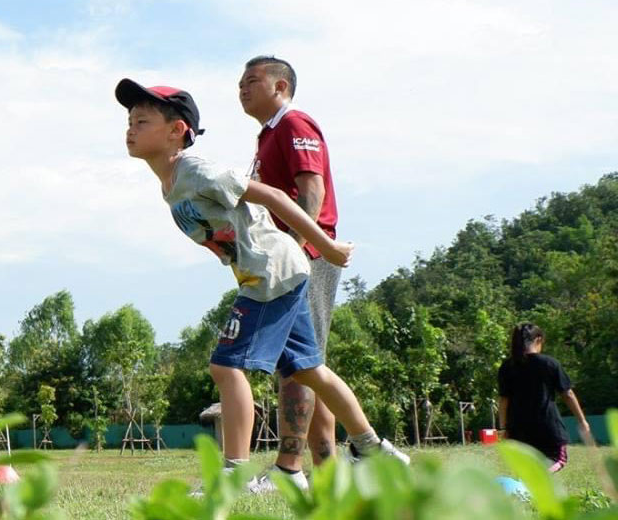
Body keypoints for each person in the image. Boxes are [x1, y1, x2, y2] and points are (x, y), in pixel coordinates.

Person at [116, 78, 407, 485]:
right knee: (309, 369)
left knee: (224, 366)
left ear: (176, 131)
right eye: (129, 120)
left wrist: (329, 246)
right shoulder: (170, 184)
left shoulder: (197, 171)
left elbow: (276, 197)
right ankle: (374, 449)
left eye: (141, 120)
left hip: (273, 273)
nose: (130, 128)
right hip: (267, 274)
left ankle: (233, 473)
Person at [238, 55, 342, 488]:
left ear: (280, 87)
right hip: (281, 261)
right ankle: (328, 474)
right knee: (300, 364)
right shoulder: (269, 135)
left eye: (252, 80)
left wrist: (297, 252)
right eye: (240, 81)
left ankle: (290, 470)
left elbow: (312, 191)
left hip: (305, 260)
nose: (241, 88)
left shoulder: (295, 124)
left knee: (302, 364)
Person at [498, 323, 593, 472]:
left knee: (525, 466)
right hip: (547, 426)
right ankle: (538, 480)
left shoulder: (507, 366)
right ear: (538, 339)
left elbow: (504, 399)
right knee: (559, 460)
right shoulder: (549, 363)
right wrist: (582, 421)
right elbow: (567, 394)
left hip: (518, 427)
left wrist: (503, 428)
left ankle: (526, 489)